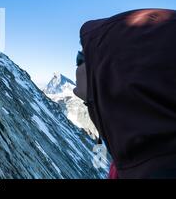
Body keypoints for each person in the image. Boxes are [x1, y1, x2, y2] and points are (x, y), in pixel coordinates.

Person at [73, 9, 176, 179]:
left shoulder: (148, 168)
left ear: (115, 71)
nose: (77, 67)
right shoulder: (145, 159)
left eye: (80, 58)